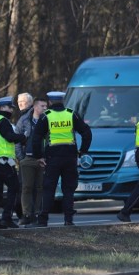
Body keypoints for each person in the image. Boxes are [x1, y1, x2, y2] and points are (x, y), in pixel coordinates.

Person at [29, 91, 92, 226]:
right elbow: (86, 132)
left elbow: (36, 138)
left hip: (52, 157)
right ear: (63, 101)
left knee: (49, 188)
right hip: (70, 157)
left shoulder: (46, 116)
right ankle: (68, 220)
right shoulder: (71, 114)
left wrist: (39, 156)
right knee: (68, 189)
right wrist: (83, 150)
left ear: (50, 102)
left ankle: (43, 220)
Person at [0, 97, 27, 229]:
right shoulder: (3, 121)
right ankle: (7, 217)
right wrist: (23, 137)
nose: (11, 110)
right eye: (9, 107)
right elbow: (9, 137)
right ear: (2, 108)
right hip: (4, 161)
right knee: (14, 187)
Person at [16, 97, 47, 225]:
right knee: (26, 187)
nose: (45, 108)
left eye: (46, 106)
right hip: (27, 158)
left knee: (40, 187)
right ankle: (27, 214)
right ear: (35, 107)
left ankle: (37, 213)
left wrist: (46, 157)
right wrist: (21, 158)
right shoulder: (24, 120)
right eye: (42, 106)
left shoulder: (47, 120)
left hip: (43, 160)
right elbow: (17, 138)